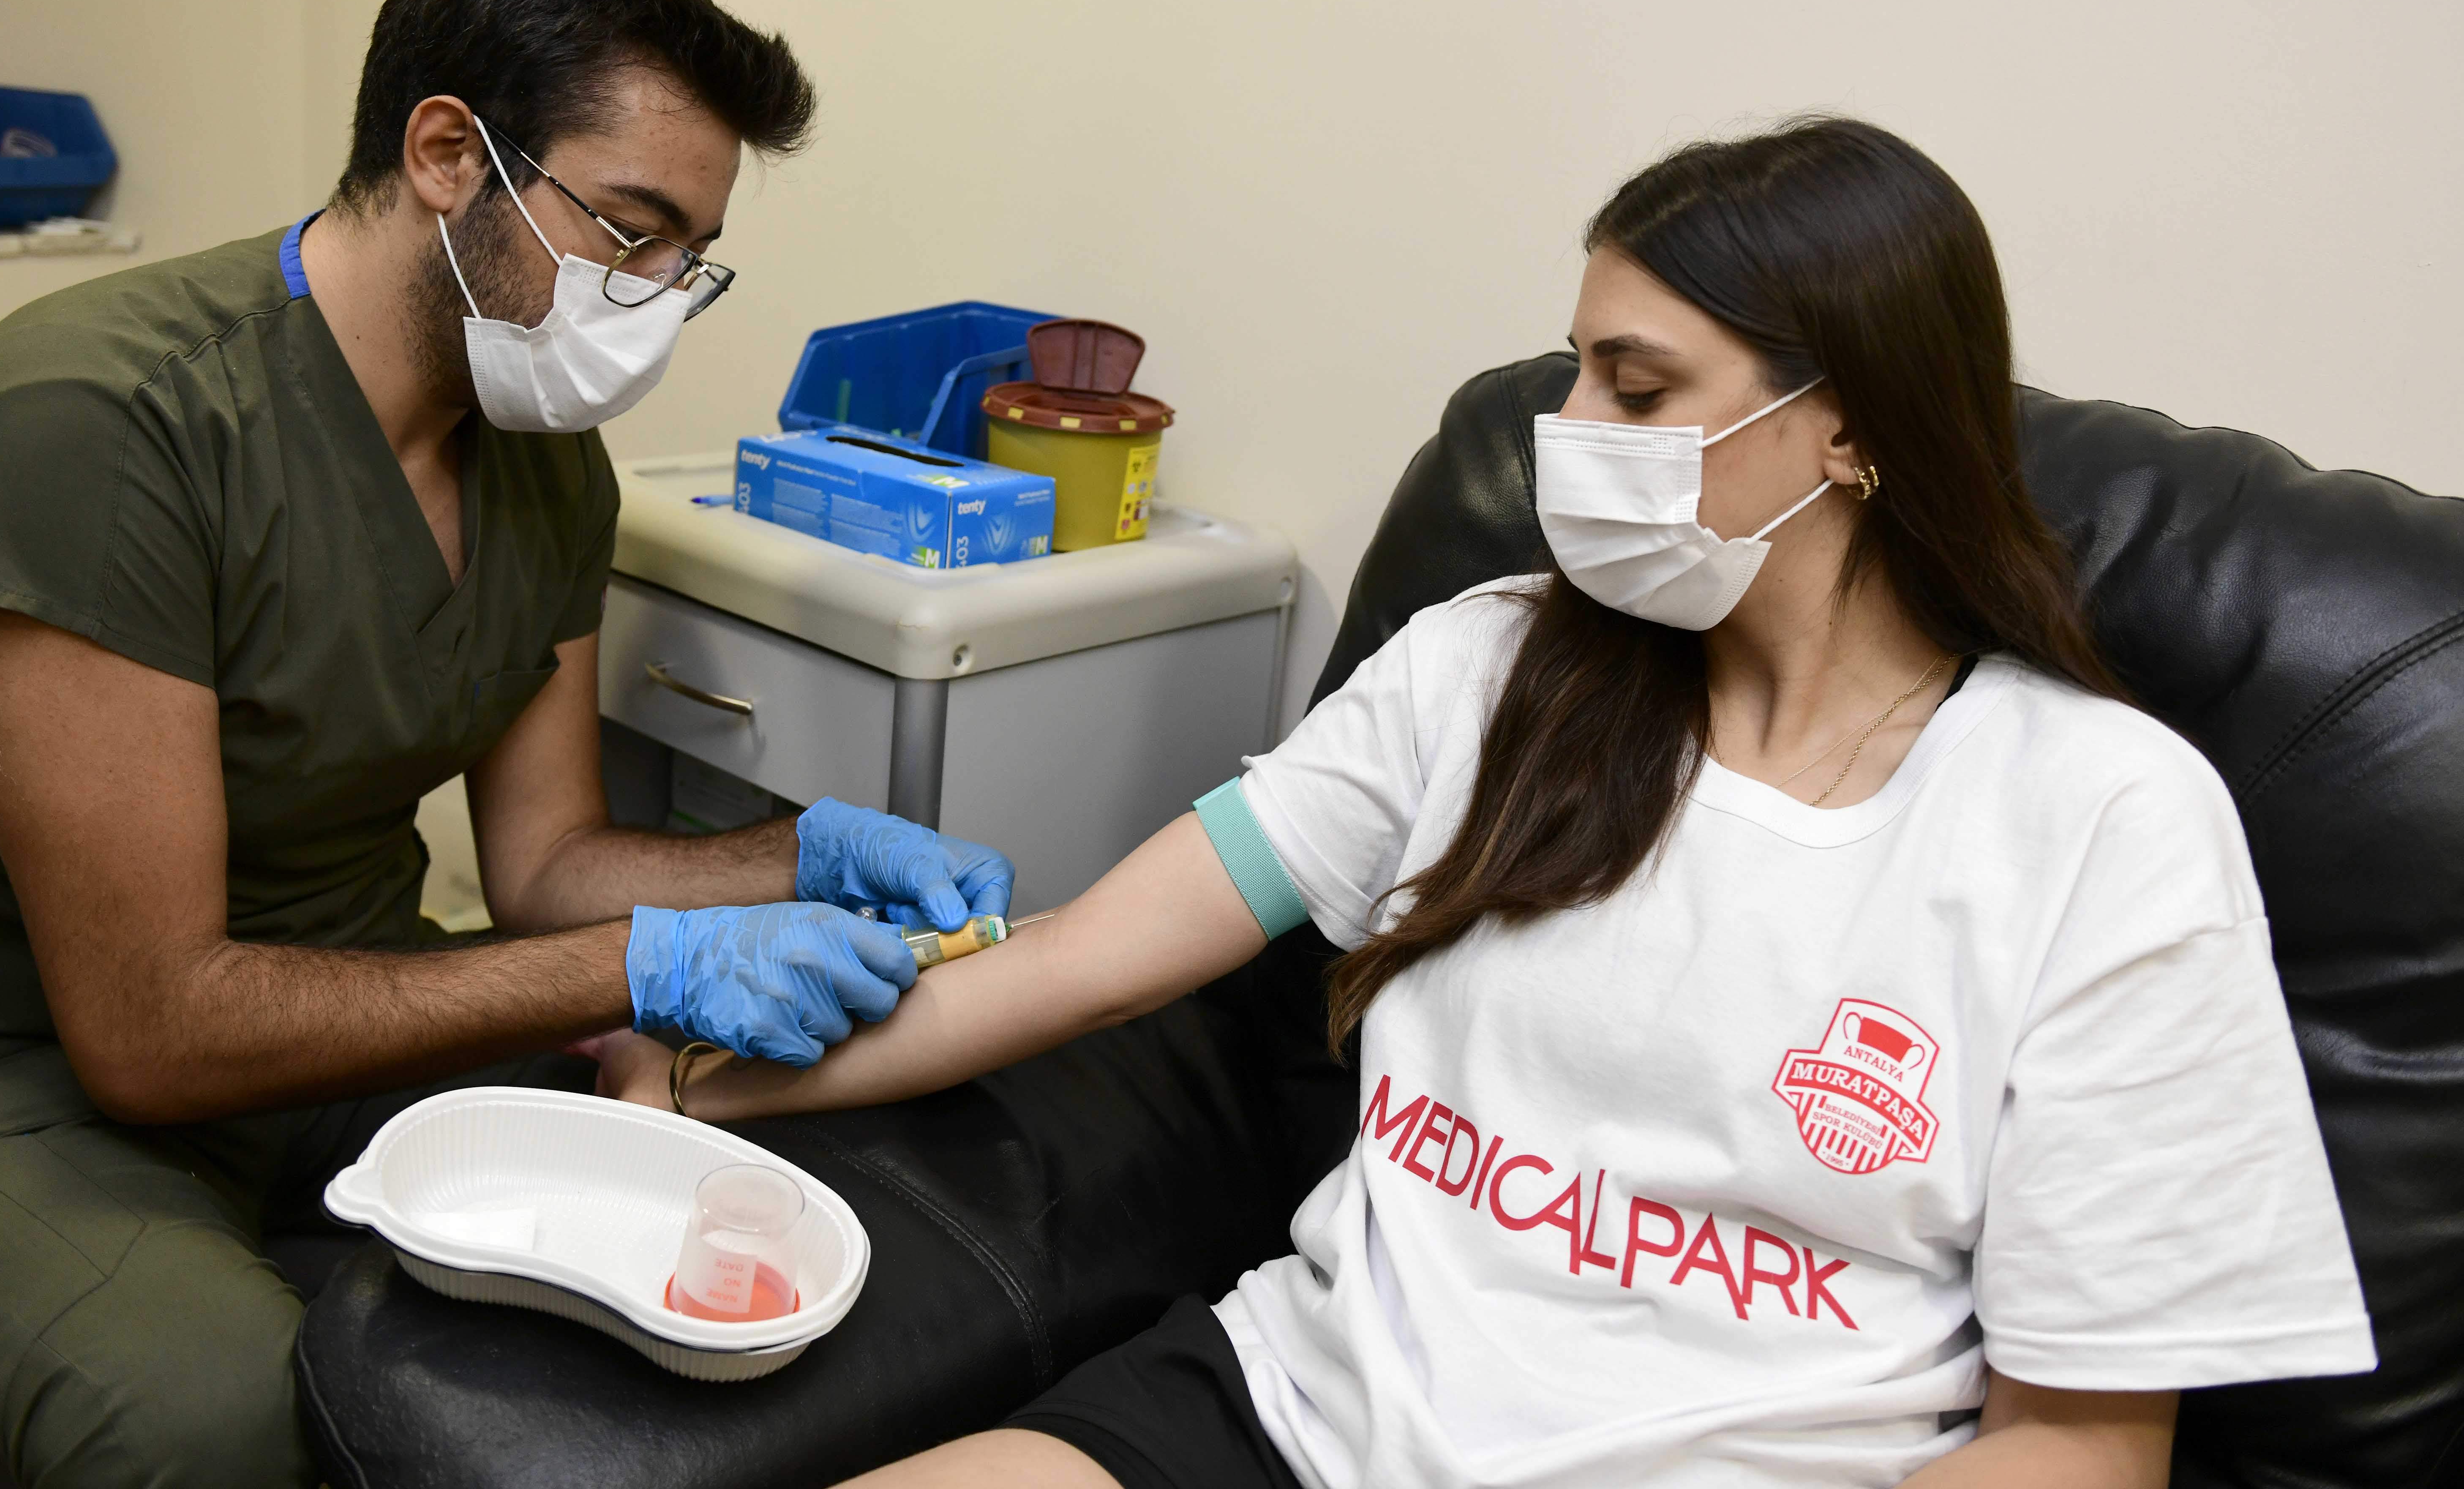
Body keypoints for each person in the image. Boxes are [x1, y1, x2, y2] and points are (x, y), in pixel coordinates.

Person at [606, 119, 2376, 1488]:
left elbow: (2081, 1446)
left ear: (1851, 427)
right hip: (1294, 1416)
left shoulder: (2101, 821)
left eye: (1638, 387)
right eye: (1578, 365)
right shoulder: (1486, 665)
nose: (1568, 426)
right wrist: (695, 1082)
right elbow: (1081, 960)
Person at [0, 0, 1011, 1489]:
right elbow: (148, 1031)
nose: (656, 299)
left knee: (767, 1154)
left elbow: (545, 865)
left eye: (692, 261)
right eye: (630, 231)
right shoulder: (89, 432)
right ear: (451, 156)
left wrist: (803, 858)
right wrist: (648, 967)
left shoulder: (540, 464)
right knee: (222, 1419)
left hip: (342, 1016)